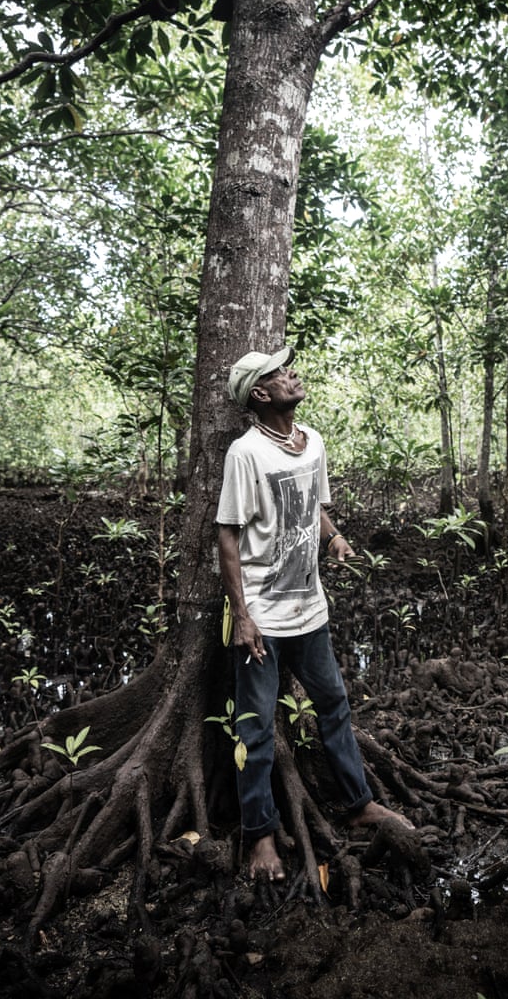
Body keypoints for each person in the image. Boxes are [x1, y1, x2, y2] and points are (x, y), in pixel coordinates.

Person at [216, 345, 410, 882]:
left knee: (334, 705)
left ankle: (358, 802)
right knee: (254, 727)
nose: (291, 374)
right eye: (279, 372)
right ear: (260, 393)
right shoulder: (246, 453)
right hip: (263, 618)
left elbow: (316, 507)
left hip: (310, 610)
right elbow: (227, 534)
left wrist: (337, 538)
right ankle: (259, 834)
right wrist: (242, 615)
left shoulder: (313, 441)